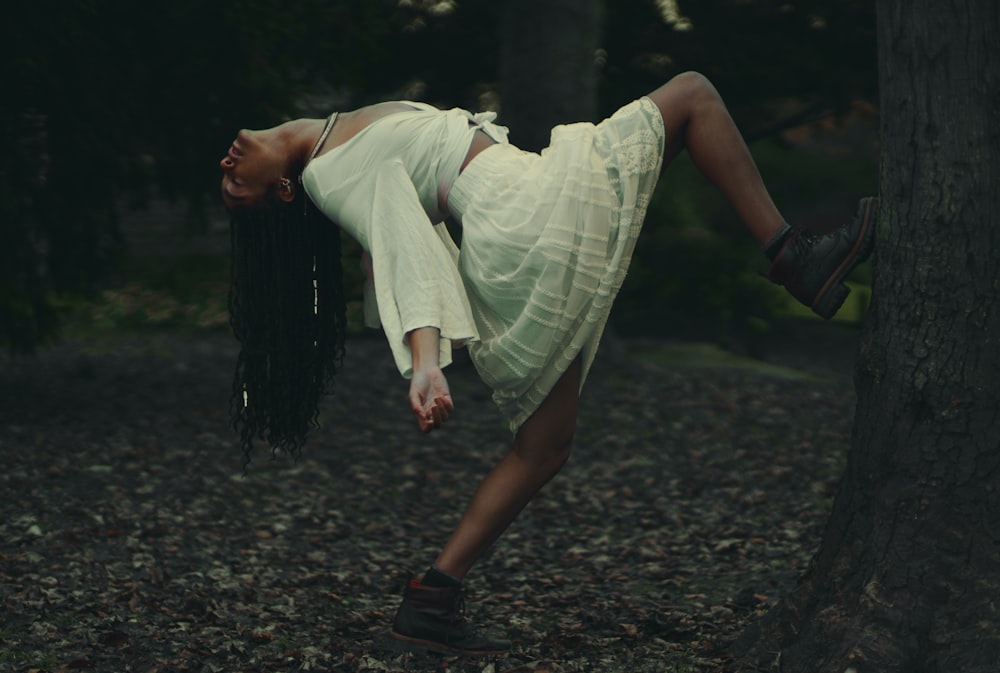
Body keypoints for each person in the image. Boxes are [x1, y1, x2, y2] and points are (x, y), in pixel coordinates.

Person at [219, 71, 876, 657]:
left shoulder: (336, 138)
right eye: (230, 187)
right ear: (282, 190)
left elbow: (386, 244)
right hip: (522, 216)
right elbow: (399, 247)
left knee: (544, 445)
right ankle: (793, 257)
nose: (226, 165)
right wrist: (425, 361)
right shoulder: (329, 173)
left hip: (515, 219)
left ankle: (430, 601)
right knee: (692, 96)